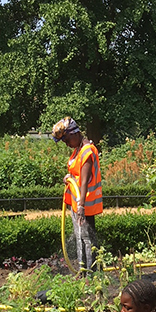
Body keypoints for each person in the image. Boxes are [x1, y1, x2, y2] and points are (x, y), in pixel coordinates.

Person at [52, 117, 102, 274]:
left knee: (87, 240)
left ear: (74, 133)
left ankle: (91, 274)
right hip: (77, 203)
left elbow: (85, 180)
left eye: (66, 139)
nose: (66, 143)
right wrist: (69, 177)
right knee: (80, 238)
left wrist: (81, 206)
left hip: (84, 205)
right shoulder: (78, 149)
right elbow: (78, 175)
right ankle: (83, 272)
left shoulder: (87, 151)